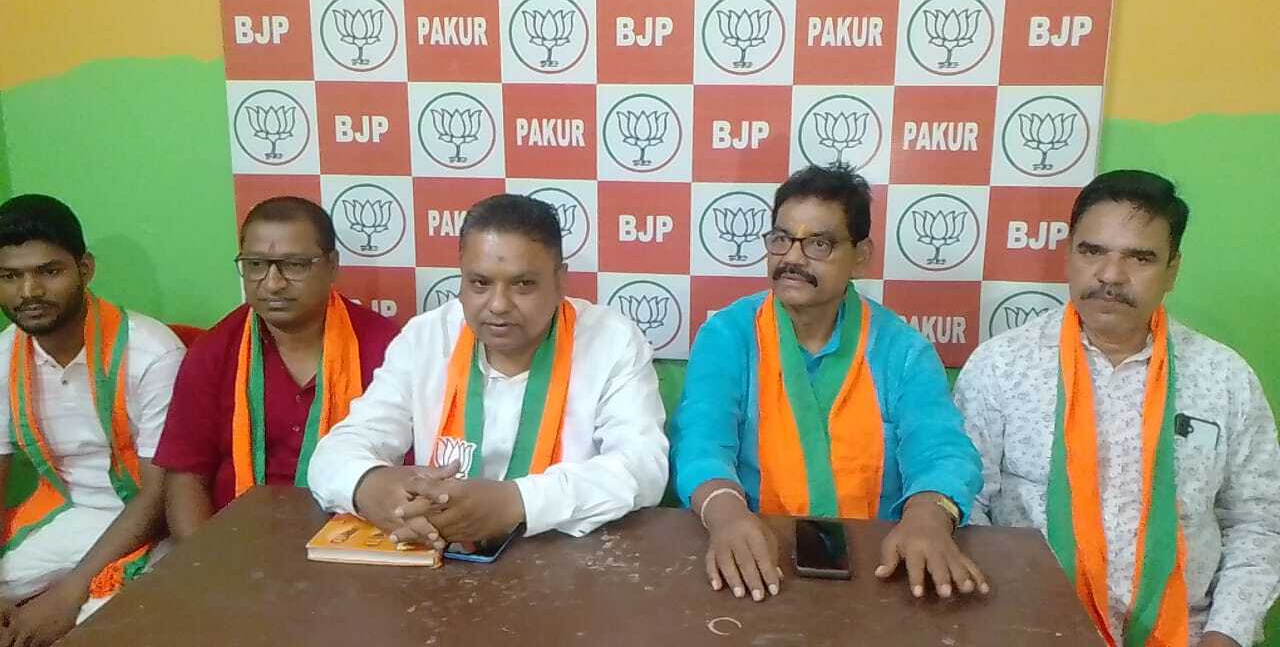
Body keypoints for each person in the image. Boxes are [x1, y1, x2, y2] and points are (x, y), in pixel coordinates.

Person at [955, 170, 1280, 647]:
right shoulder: (1001, 367)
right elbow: (966, 506)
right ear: (1068, 254)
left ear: (1173, 270)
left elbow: (1259, 520)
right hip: (1028, 630)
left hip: (1186, 634)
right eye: (1092, 251)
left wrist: (1225, 635)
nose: (1110, 275)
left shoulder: (1224, 377)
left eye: (1139, 257)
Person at [671, 167, 986, 603]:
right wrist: (726, 516)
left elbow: (942, 451)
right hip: (751, 553)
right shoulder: (729, 335)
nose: (792, 258)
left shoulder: (901, 349)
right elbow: (701, 443)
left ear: (861, 256)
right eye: (781, 239)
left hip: (881, 562)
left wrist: (927, 519)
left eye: (818, 244)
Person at [307, 194, 668, 549]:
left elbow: (642, 468)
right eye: (479, 283)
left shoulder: (611, 340)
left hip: (565, 558)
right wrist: (370, 485)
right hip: (438, 556)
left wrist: (516, 502)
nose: (498, 305)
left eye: (523, 284)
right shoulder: (427, 337)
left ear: (560, 281)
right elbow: (336, 451)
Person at [154, 197, 399, 538]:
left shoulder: (387, 347)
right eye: (256, 265)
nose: (272, 283)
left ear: (332, 266)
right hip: (234, 541)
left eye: (294, 265)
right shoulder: (214, 350)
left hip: (353, 541)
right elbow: (185, 477)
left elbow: (405, 473)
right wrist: (202, 559)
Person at [0, 195, 183, 644]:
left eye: (48, 272)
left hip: (147, 524)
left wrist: (69, 593)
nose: (29, 292)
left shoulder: (152, 353)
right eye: (10, 276)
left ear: (85, 269)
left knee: (98, 629)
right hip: (64, 513)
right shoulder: (5, 354)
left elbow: (159, 492)